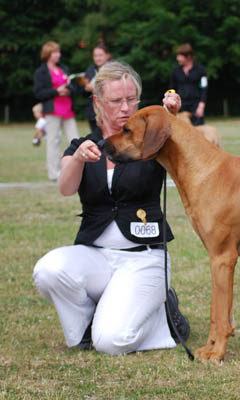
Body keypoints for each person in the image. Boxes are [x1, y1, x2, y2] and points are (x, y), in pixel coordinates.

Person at [33, 60, 188, 355]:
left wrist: (171, 119)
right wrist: (78, 158)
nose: (125, 107)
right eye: (116, 100)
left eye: (131, 99)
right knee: (48, 270)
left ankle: (165, 316)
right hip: (97, 257)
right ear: (98, 101)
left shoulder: (152, 143)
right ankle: (87, 328)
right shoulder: (83, 144)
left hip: (144, 258)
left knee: (113, 342)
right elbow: (66, 188)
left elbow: (190, 156)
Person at [34, 41, 80, 181]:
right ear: (48, 54)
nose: (58, 55)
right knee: (53, 141)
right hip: (52, 110)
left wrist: (68, 90)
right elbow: (38, 93)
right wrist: (56, 91)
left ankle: (78, 170)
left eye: (59, 52)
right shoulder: (41, 72)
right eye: (55, 52)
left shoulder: (64, 68)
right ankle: (54, 174)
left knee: (75, 140)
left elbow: (74, 86)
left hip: (67, 108)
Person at [169, 43, 208, 126]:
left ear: (188, 56)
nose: (177, 58)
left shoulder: (200, 70)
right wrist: (171, 103)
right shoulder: (176, 71)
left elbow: (204, 88)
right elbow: (172, 89)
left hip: (195, 105)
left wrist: (201, 106)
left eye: (180, 56)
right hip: (180, 106)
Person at [83, 43, 112, 132]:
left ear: (107, 55)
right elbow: (83, 93)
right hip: (93, 112)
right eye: (95, 56)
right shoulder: (89, 70)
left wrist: (96, 87)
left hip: (109, 110)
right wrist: (86, 88)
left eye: (100, 55)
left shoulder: (114, 69)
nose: (98, 58)